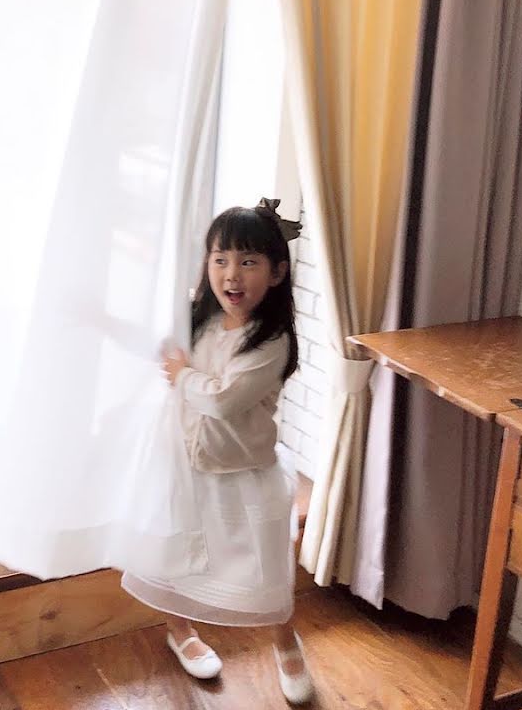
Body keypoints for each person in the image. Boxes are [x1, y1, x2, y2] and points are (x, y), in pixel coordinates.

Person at [122, 201, 316, 704]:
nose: (232, 274)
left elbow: (224, 400)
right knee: (174, 551)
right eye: (220, 259)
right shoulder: (200, 321)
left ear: (276, 273)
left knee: (266, 565)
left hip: (244, 471)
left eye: (248, 262)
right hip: (185, 465)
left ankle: (284, 641)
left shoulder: (270, 341)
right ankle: (180, 630)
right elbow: (151, 340)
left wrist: (182, 376)